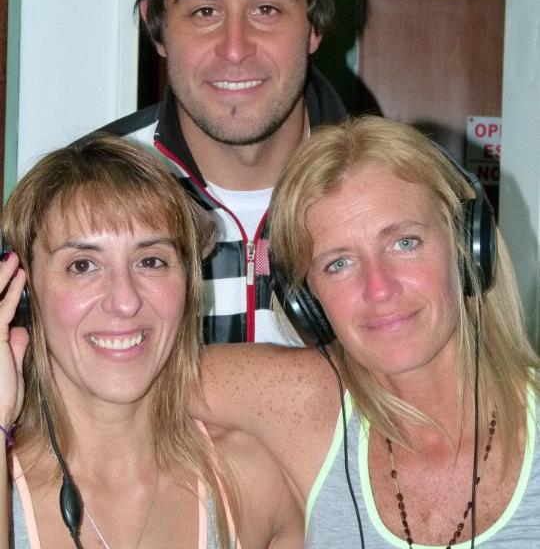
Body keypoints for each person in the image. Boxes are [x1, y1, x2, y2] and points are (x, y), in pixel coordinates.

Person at [197, 115, 540, 547]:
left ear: (468, 247)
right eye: (338, 264)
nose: (379, 289)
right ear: (306, 301)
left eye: (405, 242)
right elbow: (138, 383)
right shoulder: (306, 403)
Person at [0, 135, 302, 549]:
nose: (125, 301)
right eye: (83, 265)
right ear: (24, 293)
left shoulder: (251, 486)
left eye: (150, 261)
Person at [96, 0, 347, 344]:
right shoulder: (72, 199)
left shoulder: (414, 192)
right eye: (205, 11)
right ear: (157, 28)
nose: (235, 48)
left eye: (266, 9)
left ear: (314, 24)